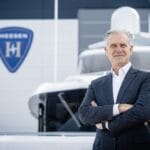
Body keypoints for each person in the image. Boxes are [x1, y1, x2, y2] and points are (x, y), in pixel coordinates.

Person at [78, 30, 150, 150]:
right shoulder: (96, 84)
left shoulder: (146, 79)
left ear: (130, 49)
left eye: (123, 45)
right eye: (113, 46)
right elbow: (84, 114)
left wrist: (106, 124)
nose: (118, 49)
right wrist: (118, 108)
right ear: (106, 51)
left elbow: (143, 112)